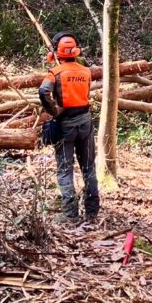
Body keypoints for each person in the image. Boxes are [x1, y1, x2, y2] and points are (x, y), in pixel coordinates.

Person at [39, 32, 100, 224]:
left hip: (65, 125)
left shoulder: (55, 73)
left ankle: (70, 214)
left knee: (65, 169)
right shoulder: (86, 72)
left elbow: (43, 91)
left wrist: (53, 111)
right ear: (76, 51)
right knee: (88, 167)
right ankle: (91, 211)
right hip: (85, 121)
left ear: (57, 52)